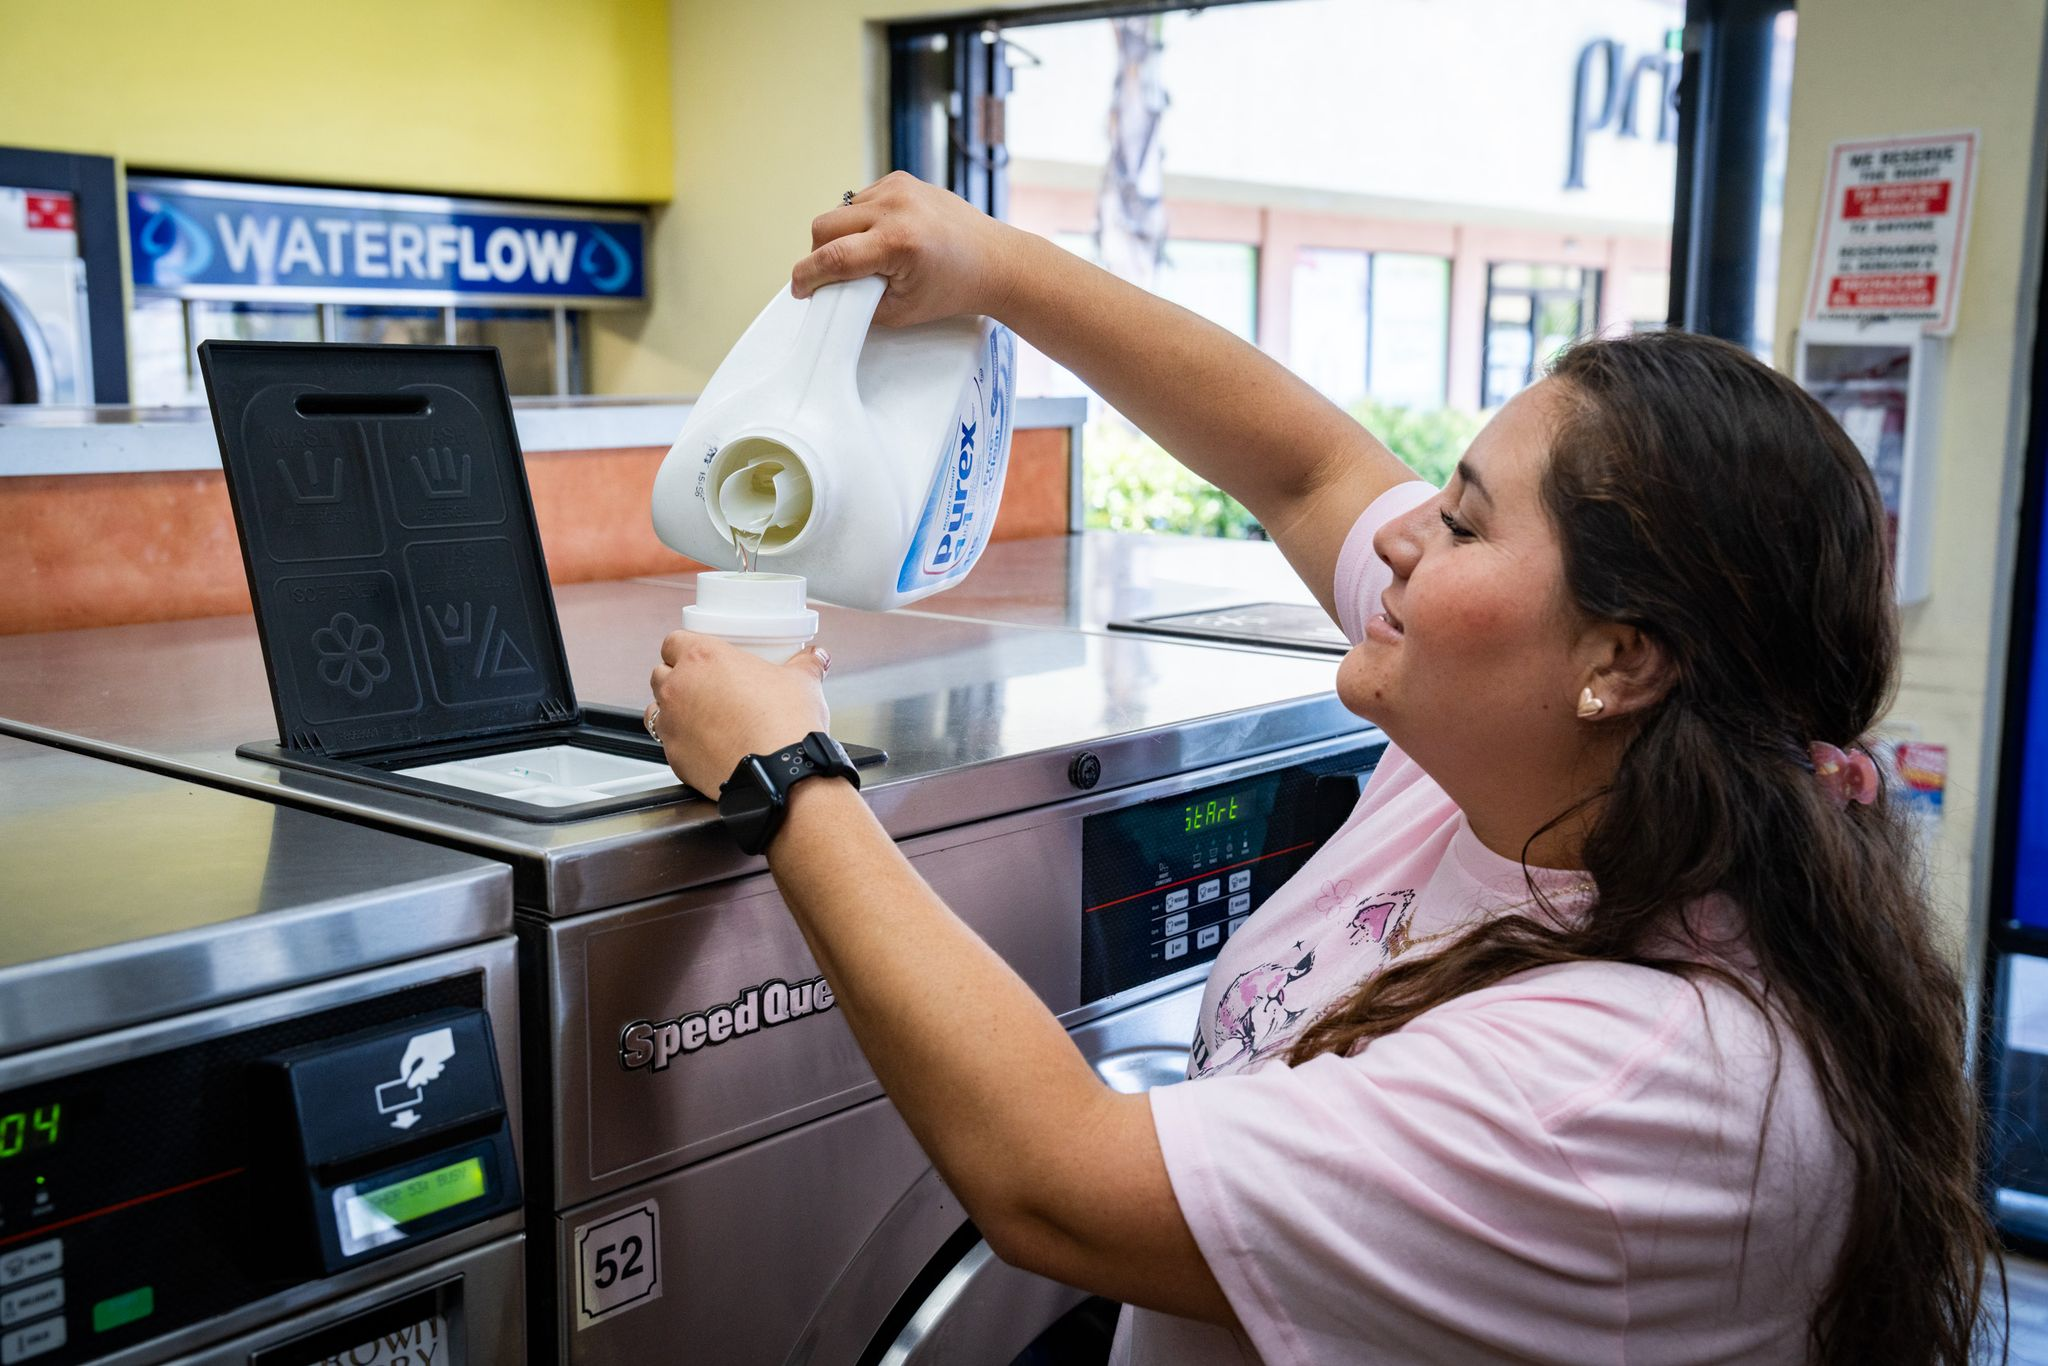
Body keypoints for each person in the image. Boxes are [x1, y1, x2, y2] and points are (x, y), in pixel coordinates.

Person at [644, 172, 1994, 1364]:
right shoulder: (1526, 761)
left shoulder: (1625, 1090)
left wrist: (789, 774)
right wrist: (989, 261)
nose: (1406, 536)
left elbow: (1050, 1179)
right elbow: (1300, 467)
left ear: (1622, 659)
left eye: (1462, 521)